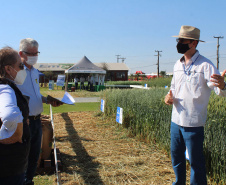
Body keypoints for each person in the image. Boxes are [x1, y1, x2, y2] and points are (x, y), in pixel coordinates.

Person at [165, 25, 226, 185]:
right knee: (176, 157)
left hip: (193, 123)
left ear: (194, 43)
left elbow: (220, 91)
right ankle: (179, 182)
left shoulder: (206, 65)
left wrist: (222, 85)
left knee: (196, 163)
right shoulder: (177, 65)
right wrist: (168, 98)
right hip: (175, 121)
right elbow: (172, 89)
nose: (179, 43)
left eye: (182, 40)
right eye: (178, 40)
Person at [17, 38, 62, 185]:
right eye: (30, 53)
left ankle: (29, 180)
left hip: (37, 120)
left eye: (36, 53)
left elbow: (35, 95)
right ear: (20, 53)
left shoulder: (35, 72)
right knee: (22, 156)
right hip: (24, 121)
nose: (34, 56)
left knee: (34, 155)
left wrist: (48, 100)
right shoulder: (15, 72)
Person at [0, 47, 30, 185]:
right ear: (8, 69)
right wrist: (17, 134)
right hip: (9, 166)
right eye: (20, 66)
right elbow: (10, 116)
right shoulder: (5, 88)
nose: (23, 69)